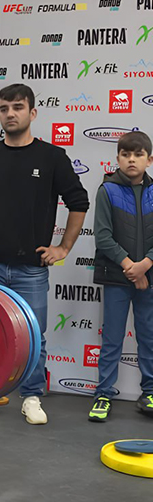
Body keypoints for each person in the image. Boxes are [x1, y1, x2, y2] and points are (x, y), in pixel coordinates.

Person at [0, 84, 89, 424]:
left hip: (31, 269)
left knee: (33, 335)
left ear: (32, 113)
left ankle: (32, 395)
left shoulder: (52, 157)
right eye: (4, 108)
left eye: (18, 107)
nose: (10, 114)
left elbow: (78, 202)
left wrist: (64, 248)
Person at [89, 131, 153, 421]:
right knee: (112, 338)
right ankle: (103, 394)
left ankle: (149, 392)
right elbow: (103, 237)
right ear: (117, 159)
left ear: (149, 160)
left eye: (138, 155)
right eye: (126, 155)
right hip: (117, 277)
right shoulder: (108, 190)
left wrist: (145, 265)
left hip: (148, 277)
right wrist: (131, 267)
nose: (131, 160)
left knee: (148, 336)